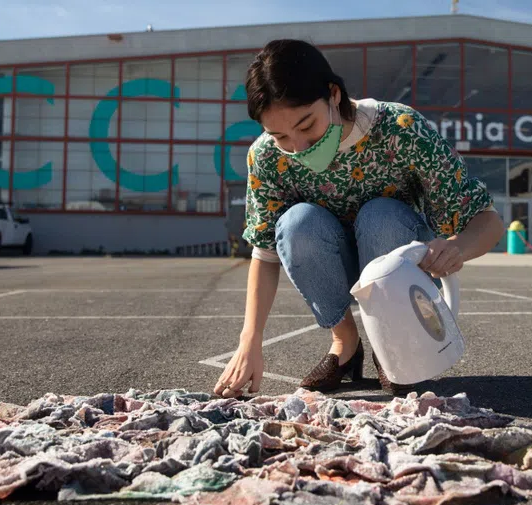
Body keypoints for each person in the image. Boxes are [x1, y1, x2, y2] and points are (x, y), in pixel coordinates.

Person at [213, 39, 504, 399]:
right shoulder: (267, 157)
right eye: (280, 136)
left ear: (333, 94)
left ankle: (392, 345)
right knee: (294, 224)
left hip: (394, 253)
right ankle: (345, 342)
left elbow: (487, 221)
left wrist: (456, 248)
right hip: (329, 264)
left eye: (307, 125)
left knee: (380, 215)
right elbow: (265, 254)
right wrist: (249, 343)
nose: (298, 148)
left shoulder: (399, 129)